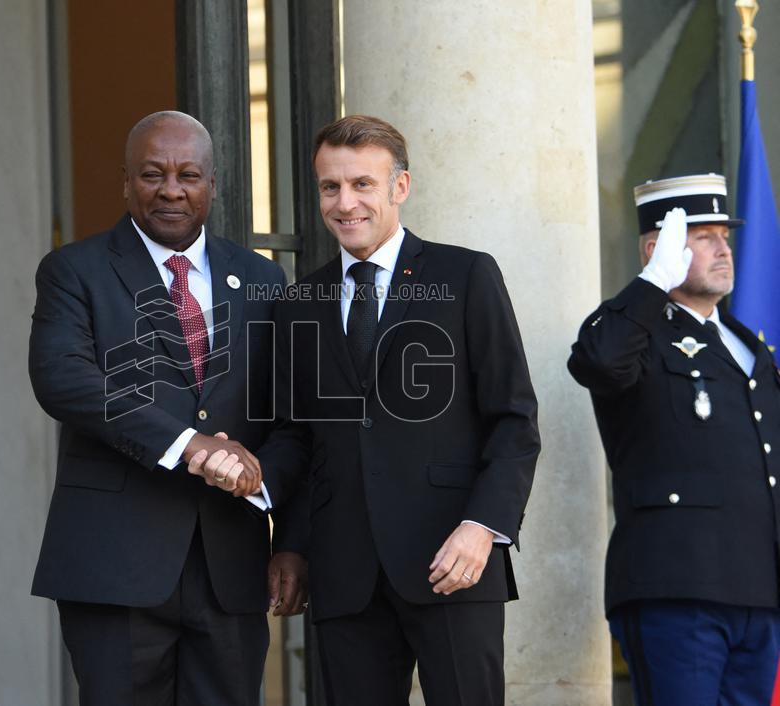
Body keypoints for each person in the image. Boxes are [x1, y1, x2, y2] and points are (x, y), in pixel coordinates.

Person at [255, 115, 540, 706]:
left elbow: (513, 420)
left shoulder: (465, 275)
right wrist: (292, 543)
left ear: (400, 188)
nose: (345, 202)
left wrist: (484, 528)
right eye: (331, 187)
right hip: (343, 573)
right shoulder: (297, 302)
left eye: (363, 184)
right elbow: (299, 438)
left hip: (453, 561)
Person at [28, 111, 307, 706]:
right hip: (114, 567)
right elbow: (64, 379)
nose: (171, 189)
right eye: (153, 174)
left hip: (230, 566)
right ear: (126, 182)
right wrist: (190, 445)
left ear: (213, 183)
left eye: (188, 174)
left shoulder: (263, 278)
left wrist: (265, 489)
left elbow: (293, 417)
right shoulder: (74, 271)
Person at [568, 173, 780, 705]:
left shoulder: (747, 347)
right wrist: (652, 283)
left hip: (757, 590)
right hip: (676, 587)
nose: (722, 248)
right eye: (702, 236)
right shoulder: (636, 331)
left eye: (724, 235)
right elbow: (598, 360)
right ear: (655, 248)